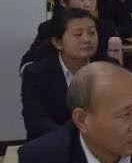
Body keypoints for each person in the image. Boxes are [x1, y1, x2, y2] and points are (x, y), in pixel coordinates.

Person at [21, 9, 115, 140]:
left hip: (102, 142)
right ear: (57, 42)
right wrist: (76, 140)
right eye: (78, 34)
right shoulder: (36, 74)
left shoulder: (110, 68)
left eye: (91, 33)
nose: (87, 39)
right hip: (55, 144)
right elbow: (37, 121)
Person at [21, 0, 119, 69]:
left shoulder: (106, 27)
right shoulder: (49, 28)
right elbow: (28, 63)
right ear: (63, 1)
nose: (88, 4)